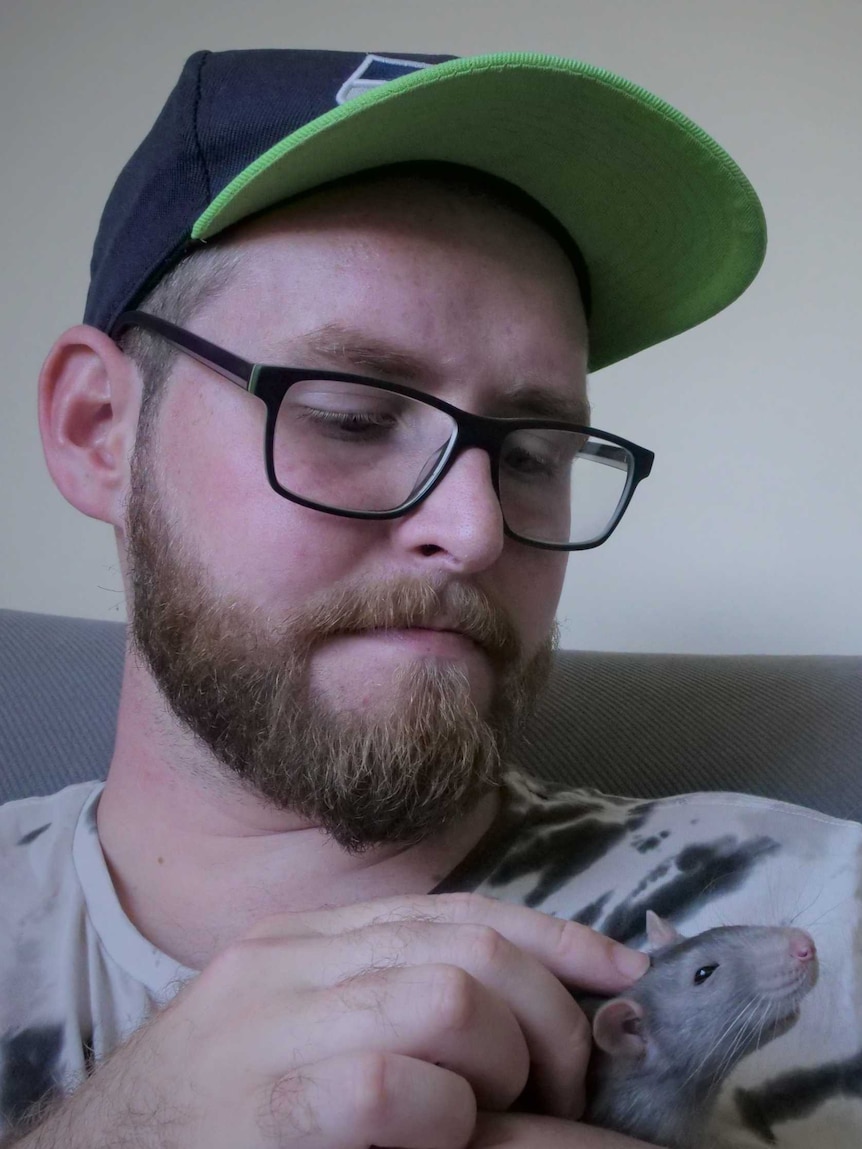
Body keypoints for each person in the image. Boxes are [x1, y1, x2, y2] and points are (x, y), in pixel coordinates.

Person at [2, 47, 860, 1149]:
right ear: (97, 433)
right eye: (352, 417)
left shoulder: (820, 906)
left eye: (535, 452)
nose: (475, 529)